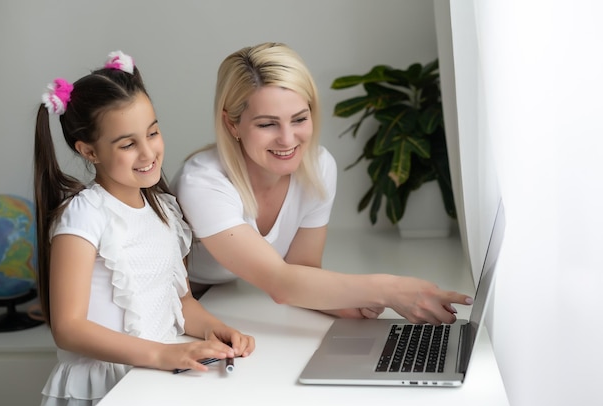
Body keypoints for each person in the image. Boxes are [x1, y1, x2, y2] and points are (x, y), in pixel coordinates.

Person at [171, 42, 473, 324]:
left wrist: (347, 302)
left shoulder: (318, 166)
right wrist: (390, 289)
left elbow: (301, 269)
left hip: (221, 302)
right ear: (232, 123)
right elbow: (280, 283)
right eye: (267, 124)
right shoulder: (202, 183)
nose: (288, 139)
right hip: (175, 308)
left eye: (299, 119)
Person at [33, 51, 255, 406]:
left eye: (153, 132)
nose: (149, 151)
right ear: (88, 150)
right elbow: (68, 329)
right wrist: (161, 354)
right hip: (104, 389)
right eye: (127, 144)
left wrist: (217, 330)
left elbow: (181, 304)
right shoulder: (84, 215)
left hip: (155, 375)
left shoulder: (164, 210)